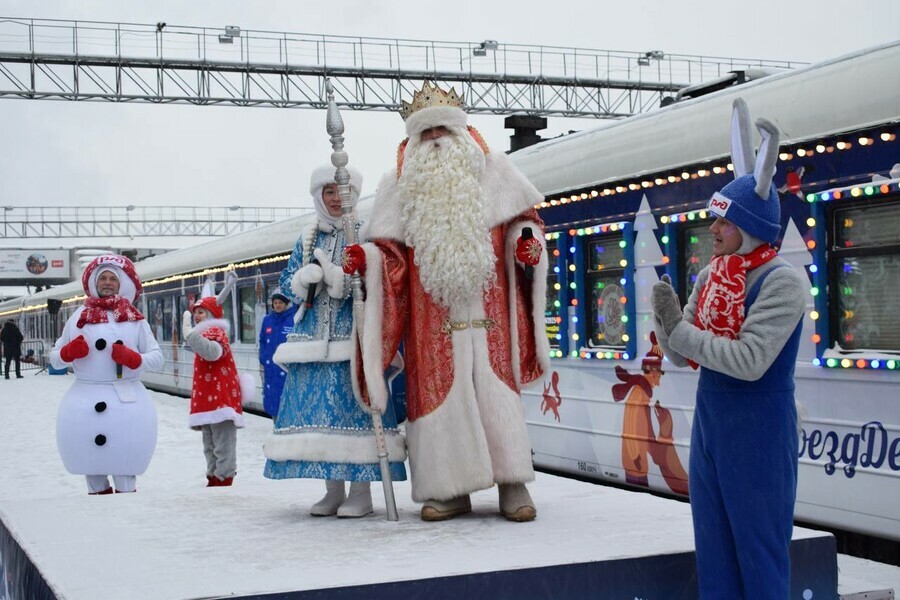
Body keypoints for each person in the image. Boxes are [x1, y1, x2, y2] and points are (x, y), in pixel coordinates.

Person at [342, 81, 550, 522]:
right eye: (426, 133)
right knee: (440, 400)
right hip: (431, 326)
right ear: (413, 141)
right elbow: (393, 260)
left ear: (460, 134)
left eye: (442, 130)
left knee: (496, 393)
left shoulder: (495, 172)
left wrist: (525, 244)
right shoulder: (398, 187)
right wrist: (369, 258)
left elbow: (523, 224)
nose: (435, 139)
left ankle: (512, 482)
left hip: (489, 314)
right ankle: (448, 489)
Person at [651, 99, 805, 598]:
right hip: (713, 428)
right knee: (714, 554)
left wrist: (680, 331)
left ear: (752, 226)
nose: (712, 229)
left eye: (723, 221)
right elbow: (682, 354)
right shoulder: (712, 276)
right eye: (713, 219)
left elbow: (750, 361)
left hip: (760, 431)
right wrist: (665, 321)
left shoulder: (782, 283)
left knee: (759, 558)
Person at [263, 165, 407, 519]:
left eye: (341, 192)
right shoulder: (308, 236)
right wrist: (301, 279)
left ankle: (361, 492)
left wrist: (340, 278)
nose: (335, 198)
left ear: (354, 195)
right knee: (321, 416)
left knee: (354, 411)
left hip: (354, 338)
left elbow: (379, 279)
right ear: (318, 196)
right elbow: (284, 282)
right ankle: (332, 490)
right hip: (312, 339)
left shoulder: (365, 231)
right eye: (328, 192)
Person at [51, 254, 163, 495]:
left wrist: (135, 359)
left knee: (125, 465)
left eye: (113, 278)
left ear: (121, 283)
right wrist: (67, 353)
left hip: (126, 403)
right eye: (103, 278)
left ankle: (126, 510)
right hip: (85, 399)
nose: (108, 282)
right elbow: (54, 358)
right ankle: (97, 513)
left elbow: (157, 358)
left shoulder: (135, 319)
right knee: (92, 467)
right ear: (94, 282)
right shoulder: (77, 318)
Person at [181, 275, 247, 487]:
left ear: (211, 313)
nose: (197, 316)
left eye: (201, 312)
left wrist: (191, 335)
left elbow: (212, 353)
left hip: (221, 396)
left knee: (222, 441)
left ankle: (224, 475)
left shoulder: (217, 332)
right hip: (209, 395)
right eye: (196, 312)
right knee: (209, 441)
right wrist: (193, 336)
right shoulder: (206, 332)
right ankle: (213, 473)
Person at [258, 290, 296, 418]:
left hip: (287, 369)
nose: (277, 305)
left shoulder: (294, 318)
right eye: (275, 303)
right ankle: (276, 427)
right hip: (271, 369)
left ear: (286, 304)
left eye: (280, 302)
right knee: (273, 400)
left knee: (288, 402)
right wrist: (263, 357)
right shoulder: (267, 320)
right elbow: (262, 340)